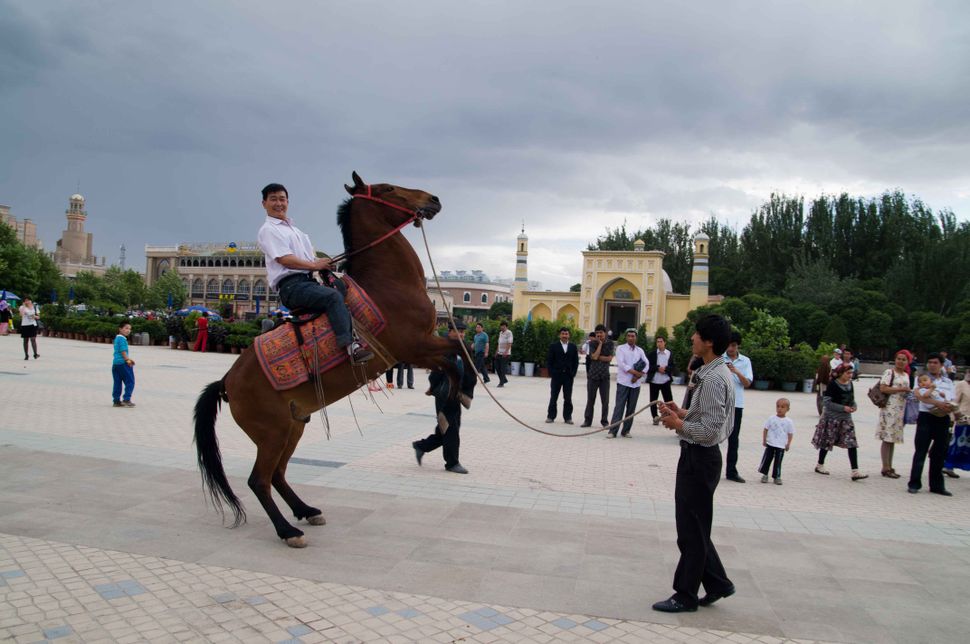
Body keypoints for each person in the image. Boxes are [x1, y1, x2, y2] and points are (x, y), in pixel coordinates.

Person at [653, 314, 735, 613]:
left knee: (690, 530)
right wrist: (683, 412)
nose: (692, 339)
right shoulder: (714, 371)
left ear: (709, 341)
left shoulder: (713, 378)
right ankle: (718, 583)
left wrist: (678, 425)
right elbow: (707, 418)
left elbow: (710, 431)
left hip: (700, 459)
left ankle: (685, 594)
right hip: (700, 458)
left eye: (696, 335)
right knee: (697, 527)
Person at [256, 183, 372, 363]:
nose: (279, 203)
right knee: (332, 297)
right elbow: (284, 259)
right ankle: (351, 347)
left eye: (282, 199)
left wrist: (325, 265)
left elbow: (313, 261)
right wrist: (315, 265)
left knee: (344, 290)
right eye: (273, 199)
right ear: (264, 203)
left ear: (288, 202)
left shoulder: (298, 232)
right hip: (291, 287)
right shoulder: (268, 230)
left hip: (308, 282)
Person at [412, 321, 474, 474]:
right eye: (457, 331)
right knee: (451, 429)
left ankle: (421, 446)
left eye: (462, 332)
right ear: (450, 332)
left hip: (457, 395)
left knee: (445, 429)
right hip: (444, 395)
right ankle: (452, 463)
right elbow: (436, 372)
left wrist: (467, 392)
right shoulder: (443, 348)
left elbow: (470, 371)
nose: (460, 334)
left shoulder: (464, 348)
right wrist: (433, 388)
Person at [908, 354, 956, 495]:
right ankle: (914, 483)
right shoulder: (921, 379)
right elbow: (921, 397)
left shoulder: (947, 381)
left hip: (943, 418)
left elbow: (952, 398)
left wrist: (949, 406)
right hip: (926, 417)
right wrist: (938, 403)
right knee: (920, 450)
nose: (932, 365)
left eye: (935, 362)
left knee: (939, 453)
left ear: (941, 365)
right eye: (929, 362)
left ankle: (937, 485)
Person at [812, 364, 868, 480]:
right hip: (832, 417)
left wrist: (854, 406)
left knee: (851, 443)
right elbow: (827, 402)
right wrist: (842, 408)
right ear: (841, 373)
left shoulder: (850, 384)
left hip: (846, 418)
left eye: (851, 373)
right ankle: (820, 464)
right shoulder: (833, 384)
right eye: (847, 373)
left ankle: (855, 471)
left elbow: (851, 398)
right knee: (827, 441)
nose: (850, 376)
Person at [875, 351, 912, 478]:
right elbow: (883, 388)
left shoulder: (906, 375)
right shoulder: (890, 372)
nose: (901, 361)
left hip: (900, 409)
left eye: (904, 359)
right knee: (887, 437)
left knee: (893, 439)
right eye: (899, 359)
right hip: (889, 408)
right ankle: (885, 467)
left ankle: (890, 466)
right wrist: (901, 389)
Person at [723, 331, 753, 483]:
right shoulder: (720, 358)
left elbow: (747, 383)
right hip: (720, 402)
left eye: (733, 345)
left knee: (734, 439)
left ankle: (731, 471)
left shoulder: (745, 361)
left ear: (738, 345)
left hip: (737, 404)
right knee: (713, 436)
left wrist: (736, 371)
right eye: (728, 345)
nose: (730, 348)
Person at [608, 329, 648, 438]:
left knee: (631, 408)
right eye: (629, 336)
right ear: (626, 337)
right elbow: (621, 364)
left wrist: (638, 376)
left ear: (636, 338)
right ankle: (613, 431)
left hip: (635, 384)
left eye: (633, 336)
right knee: (619, 407)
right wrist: (634, 372)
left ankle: (626, 431)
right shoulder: (621, 348)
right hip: (624, 382)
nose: (631, 338)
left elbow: (647, 364)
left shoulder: (640, 350)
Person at [581, 324, 613, 428]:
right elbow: (593, 357)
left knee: (605, 401)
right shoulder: (592, 343)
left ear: (605, 333)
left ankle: (604, 421)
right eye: (597, 333)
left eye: (601, 332)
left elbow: (609, 358)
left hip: (604, 376)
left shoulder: (610, 343)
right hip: (593, 376)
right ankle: (587, 420)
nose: (599, 334)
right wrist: (599, 345)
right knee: (590, 399)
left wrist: (598, 356)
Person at [545, 327, 579, 424]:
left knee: (568, 397)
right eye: (563, 334)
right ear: (560, 335)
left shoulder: (573, 346)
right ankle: (551, 416)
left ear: (569, 335)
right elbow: (549, 361)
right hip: (557, 376)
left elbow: (575, 361)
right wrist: (552, 373)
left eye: (566, 334)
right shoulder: (553, 346)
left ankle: (568, 417)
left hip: (568, 376)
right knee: (553, 396)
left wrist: (573, 373)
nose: (564, 336)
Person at [759, 398, 794, 484]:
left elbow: (790, 433)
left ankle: (777, 476)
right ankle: (765, 474)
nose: (779, 409)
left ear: (787, 409)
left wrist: (788, 444)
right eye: (778, 406)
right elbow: (765, 429)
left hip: (781, 445)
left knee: (778, 461)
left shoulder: (789, 421)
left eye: (782, 407)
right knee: (767, 459)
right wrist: (764, 440)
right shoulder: (771, 418)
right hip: (770, 443)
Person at [943, 370, 970, 475]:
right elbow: (955, 401)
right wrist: (952, 418)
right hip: (962, 418)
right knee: (957, 443)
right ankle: (948, 466)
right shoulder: (961, 385)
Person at [647, 335, 676, 426]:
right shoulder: (652, 354)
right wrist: (658, 368)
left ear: (665, 342)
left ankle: (668, 417)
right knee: (653, 400)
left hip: (665, 380)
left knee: (668, 400)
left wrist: (666, 369)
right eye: (657, 342)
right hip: (655, 380)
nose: (659, 343)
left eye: (661, 341)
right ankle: (655, 417)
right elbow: (648, 367)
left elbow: (673, 366)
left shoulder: (669, 353)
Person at [112, 321, 136, 407]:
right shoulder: (122, 339)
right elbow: (123, 351)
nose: (128, 330)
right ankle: (126, 399)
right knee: (130, 381)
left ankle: (116, 401)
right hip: (123, 364)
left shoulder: (117, 338)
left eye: (129, 329)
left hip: (116, 364)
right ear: (120, 329)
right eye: (126, 328)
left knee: (117, 382)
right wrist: (128, 360)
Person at [494, 321, 513, 387]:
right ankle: (504, 379)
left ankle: (501, 383)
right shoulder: (500, 333)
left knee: (502, 368)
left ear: (506, 327)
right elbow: (499, 343)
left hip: (506, 354)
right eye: (501, 326)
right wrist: (496, 351)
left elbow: (509, 343)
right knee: (497, 367)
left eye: (503, 326)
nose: (502, 327)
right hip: (499, 352)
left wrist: (506, 351)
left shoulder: (509, 332)